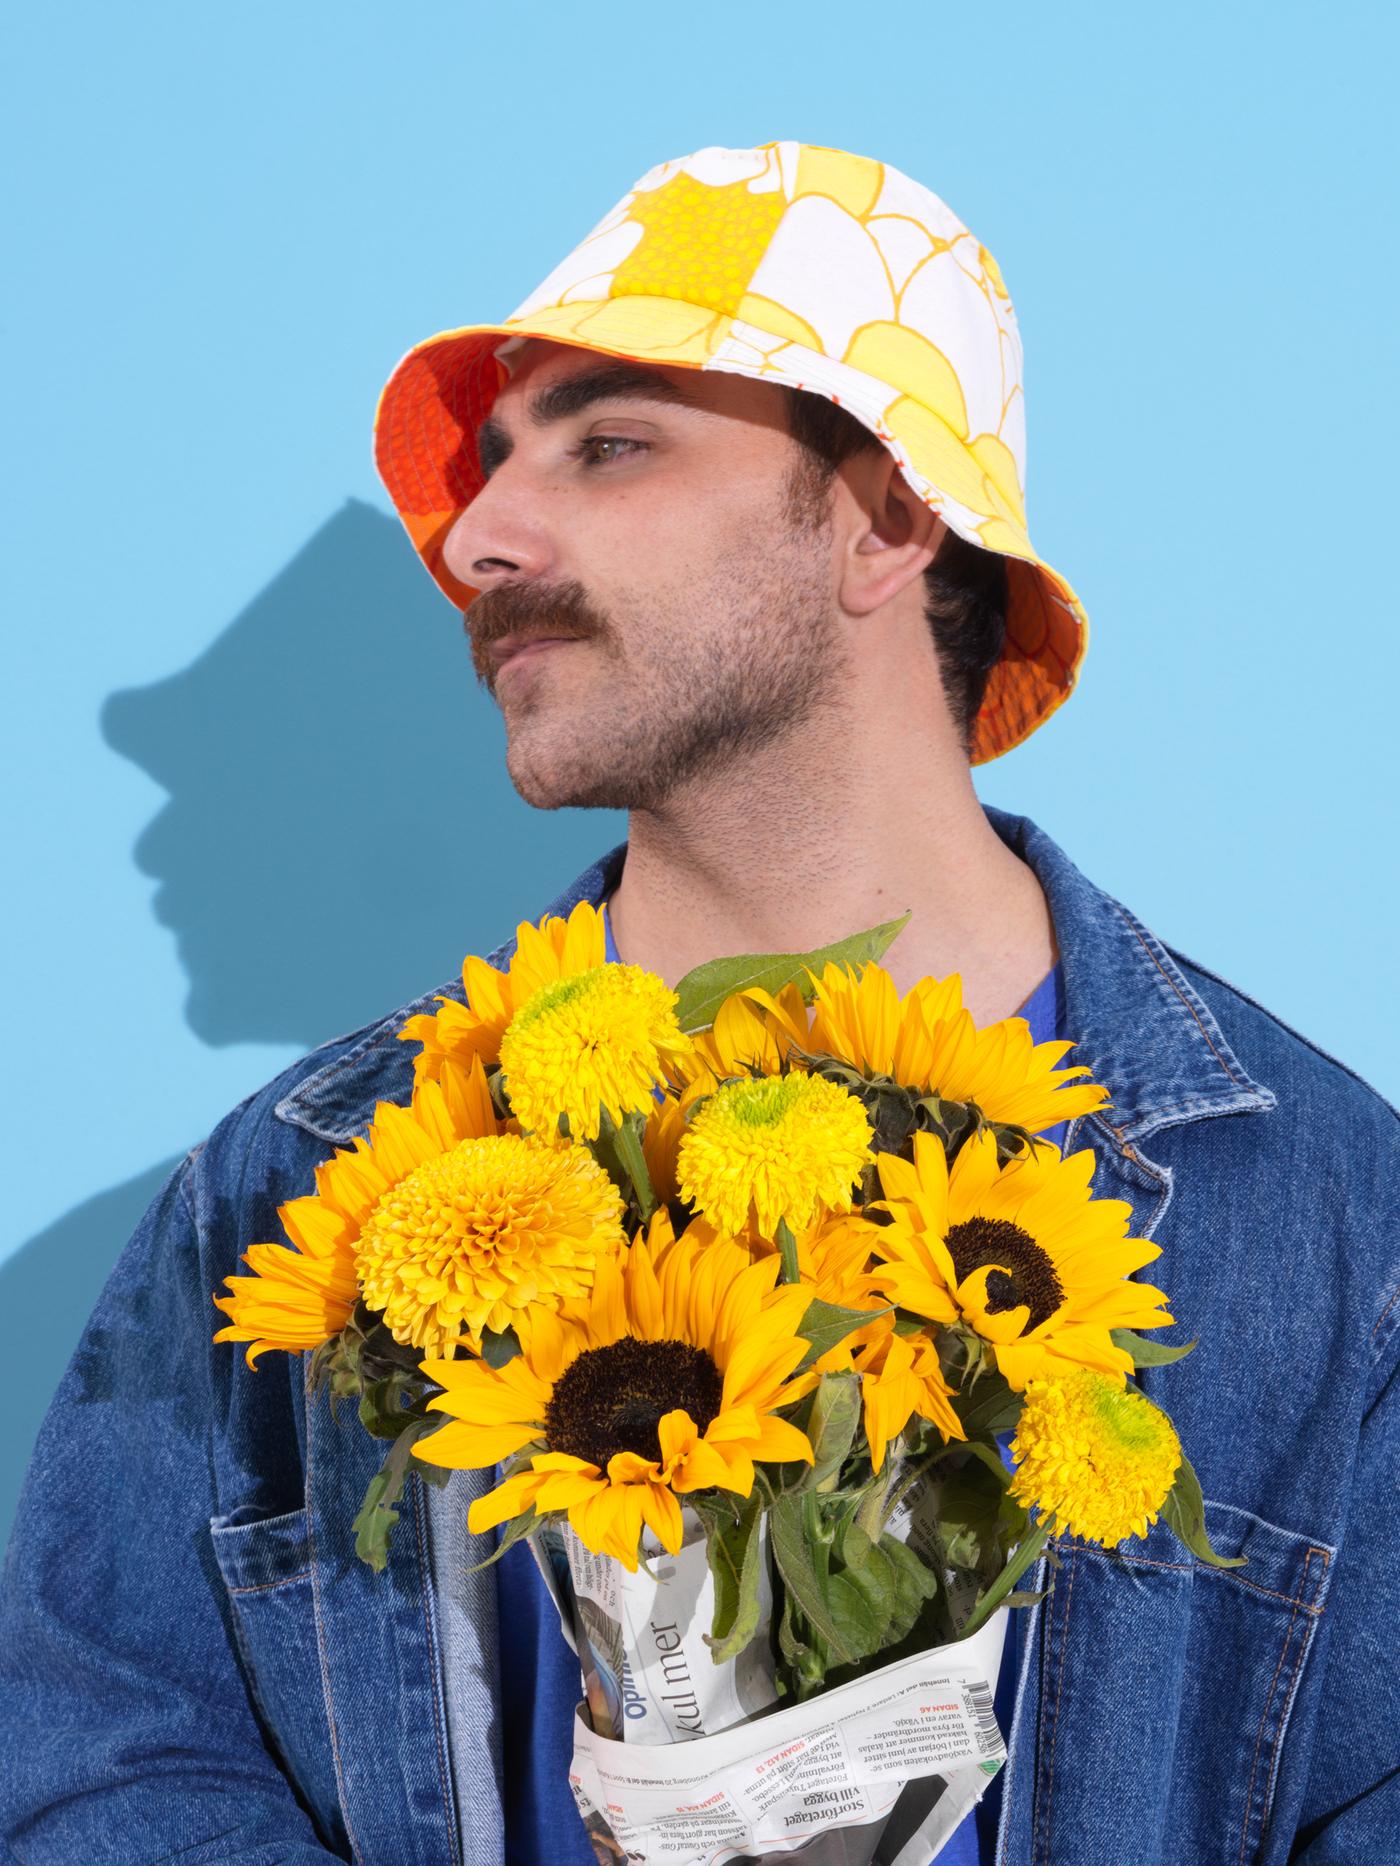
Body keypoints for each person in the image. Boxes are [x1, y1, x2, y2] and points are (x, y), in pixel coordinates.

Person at [1, 141, 1394, 1865]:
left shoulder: (1335, 1221)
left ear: (887, 516)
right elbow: (109, 1764)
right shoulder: (294, 1192)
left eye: (611, 442)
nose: (479, 536)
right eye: (501, 462)